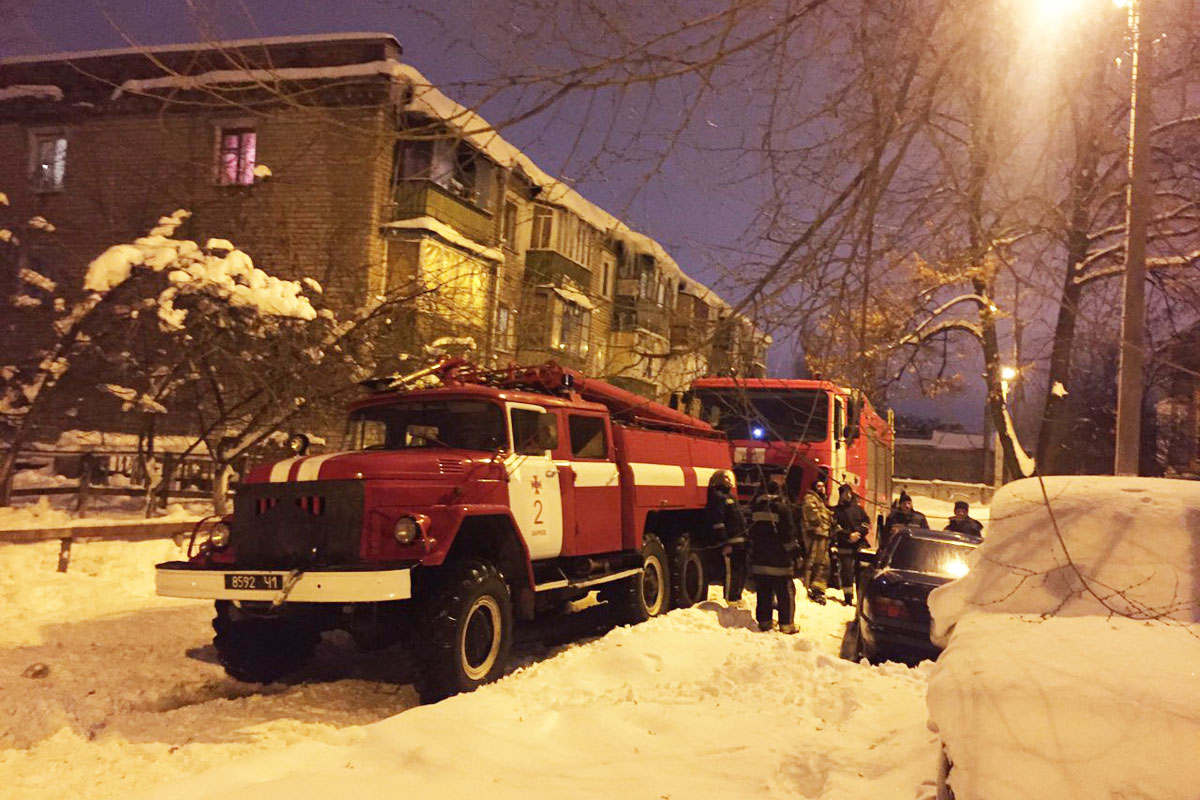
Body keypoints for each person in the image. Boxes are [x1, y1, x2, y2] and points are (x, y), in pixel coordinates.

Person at [747, 476, 802, 633]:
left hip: (760, 560)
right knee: (784, 594)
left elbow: (751, 533)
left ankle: (764, 622)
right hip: (779, 563)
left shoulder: (756, 509)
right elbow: (788, 536)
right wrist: (796, 555)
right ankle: (786, 625)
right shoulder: (782, 509)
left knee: (764, 593)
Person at [706, 472, 748, 606]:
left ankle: (737, 595)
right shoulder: (718, 497)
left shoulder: (730, 497)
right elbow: (718, 522)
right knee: (731, 571)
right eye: (725, 478)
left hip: (740, 541)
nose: (728, 481)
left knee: (742, 569)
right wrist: (724, 542)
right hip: (730, 542)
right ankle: (731, 599)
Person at [832, 485, 869, 606]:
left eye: (849, 493)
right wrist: (848, 536)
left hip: (859, 546)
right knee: (846, 572)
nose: (848, 495)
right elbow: (835, 528)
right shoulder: (836, 511)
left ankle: (860, 598)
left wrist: (859, 533)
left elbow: (866, 524)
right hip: (844, 546)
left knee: (861, 573)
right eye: (845, 493)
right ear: (841, 494)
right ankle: (848, 598)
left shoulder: (859, 509)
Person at [800, 478, 834, 604]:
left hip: (822, 536)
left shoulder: (821, 502)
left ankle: (818, 589)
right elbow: (814, 517)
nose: (822, 488)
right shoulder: (810, 499)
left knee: (823, 564)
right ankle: (807, 587)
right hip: (814, 536)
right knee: (812, 561)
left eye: (823, 486)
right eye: (819, 486)